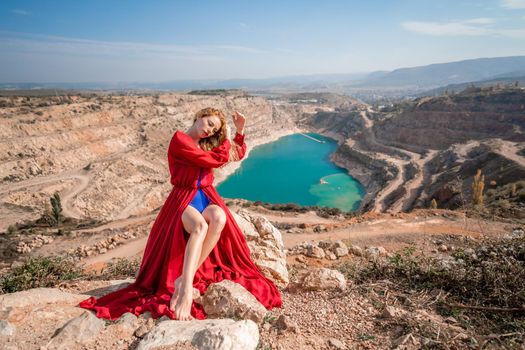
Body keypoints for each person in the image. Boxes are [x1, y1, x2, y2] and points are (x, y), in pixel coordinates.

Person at [78, 107, 282, 321]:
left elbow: (235, 154)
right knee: (199, 227)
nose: (210, 131)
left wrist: (240, 130)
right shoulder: (179, 140)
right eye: (209, 123)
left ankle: (186, 276)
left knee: (219, 218)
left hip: (205, 195)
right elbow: (213, 161)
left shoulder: (204, 145)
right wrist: (226, 138)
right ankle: (185, 287)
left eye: (214, 130)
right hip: (183, 197)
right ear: (198, 117)